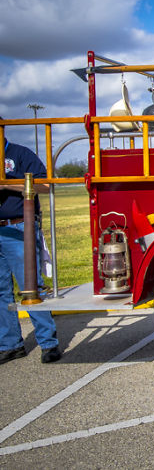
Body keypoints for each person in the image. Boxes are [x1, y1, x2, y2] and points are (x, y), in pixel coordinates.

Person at [1, 122, 61, 364]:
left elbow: (45, 185)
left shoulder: (19, 154)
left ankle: (49, 343)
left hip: (19, 227)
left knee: (31, 288)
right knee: (1, 291)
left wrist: (6, 183)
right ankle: (10, 344)